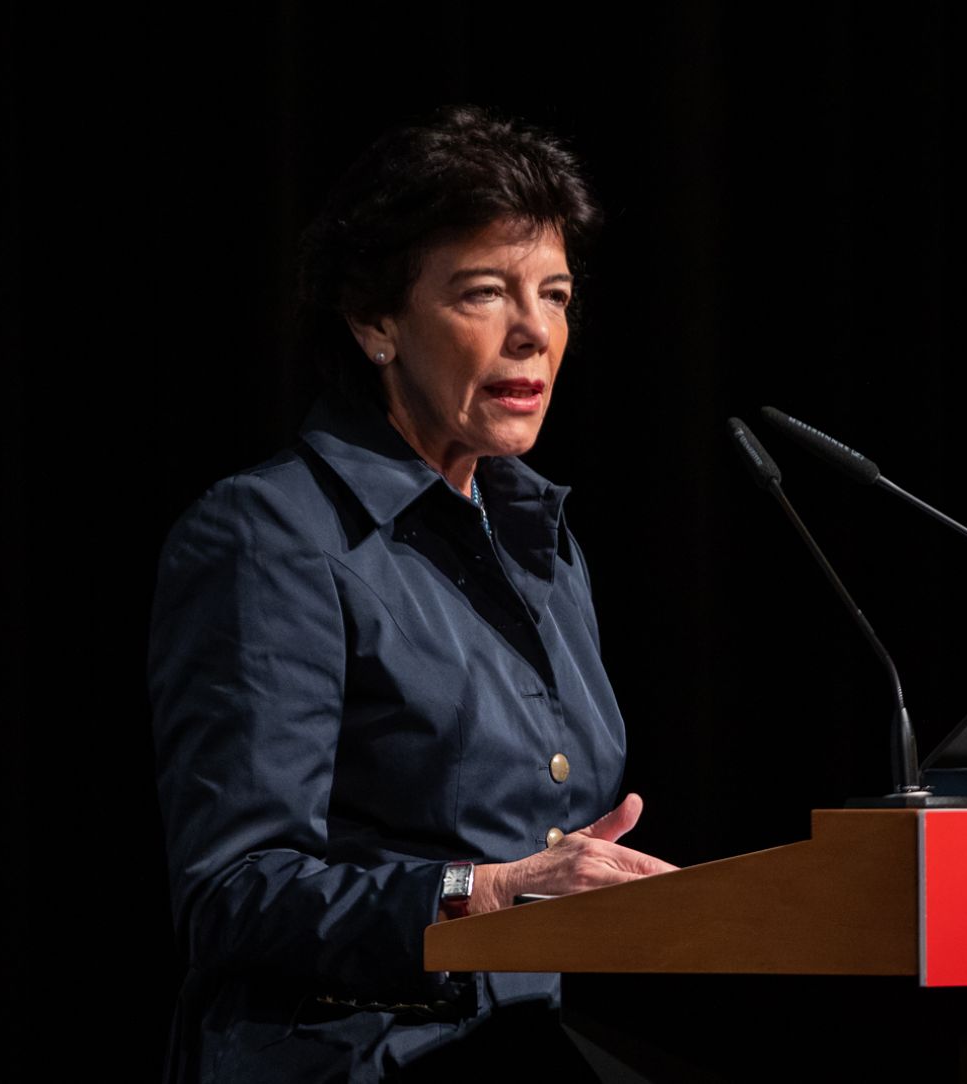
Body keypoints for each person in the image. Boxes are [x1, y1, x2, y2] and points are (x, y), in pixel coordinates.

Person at [147, 107, 676, 1082]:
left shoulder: (539, 541)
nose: (534, 331)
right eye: (485, 292)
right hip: (354, 1056)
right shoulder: (272, 536)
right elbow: (234, 893)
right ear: (374, 321)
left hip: (520, 1050)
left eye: (555, 294)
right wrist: (491, 890)